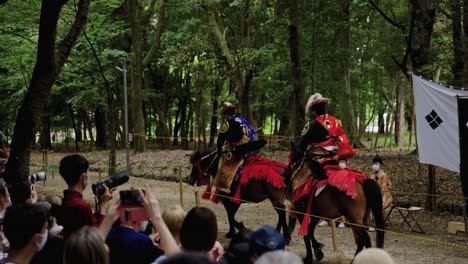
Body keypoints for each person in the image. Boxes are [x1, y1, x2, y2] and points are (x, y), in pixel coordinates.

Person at [57, 154, 112, 238]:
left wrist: (100, 203)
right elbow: (98, 235)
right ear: (84, 177)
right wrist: (103, 204)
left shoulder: (66, 201)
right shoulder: (81, 206)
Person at [215, 102, 262, 193]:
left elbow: (221, 138)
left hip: (244, 150)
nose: (225, 117)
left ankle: (232, 187)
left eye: (225, 115)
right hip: (254, 147)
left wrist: (219, 149)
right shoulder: (242, 120)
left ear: (227, 114)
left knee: (229, 164)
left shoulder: (228, 123)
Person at [303, 93, 356, 164]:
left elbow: (303, 144)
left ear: (313, 111)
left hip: (318, 159)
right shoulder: (334, 120)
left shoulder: (311, 124)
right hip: (336, 157)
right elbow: (343, 139)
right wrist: (339, 155)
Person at [372, 155, 393, 219]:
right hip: (374, 195)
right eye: (373, 163)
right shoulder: (372, 175)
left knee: (379, 206)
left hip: (384, 196)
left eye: (376, 163)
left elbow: (383, 189)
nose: (374, 165)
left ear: (380, 165)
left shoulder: (384, 175)